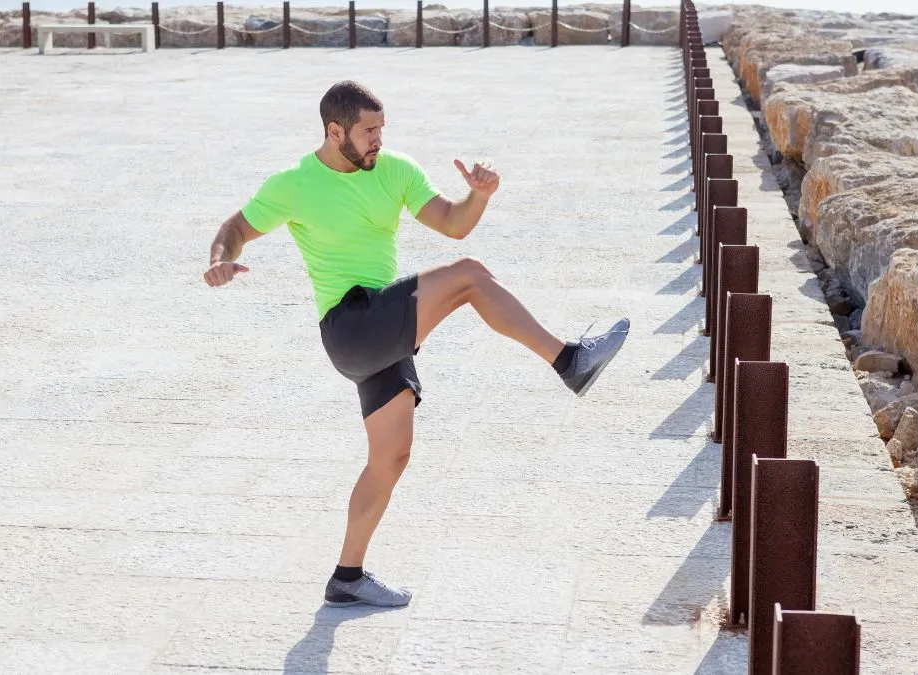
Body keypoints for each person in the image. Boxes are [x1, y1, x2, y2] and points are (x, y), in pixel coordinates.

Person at [204, 80, 629, 608]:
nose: (378, 139)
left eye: (382, 129)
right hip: (350, 325)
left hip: (383, 329)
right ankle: (570, 360)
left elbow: (452, 225)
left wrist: (479, 196)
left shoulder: (395, 170)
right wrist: (220, 259)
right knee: (470, 277)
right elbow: (237, 227)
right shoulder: (294, 183)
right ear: (335, 132)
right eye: (368, 131)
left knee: (391, 458)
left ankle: (347, 577)